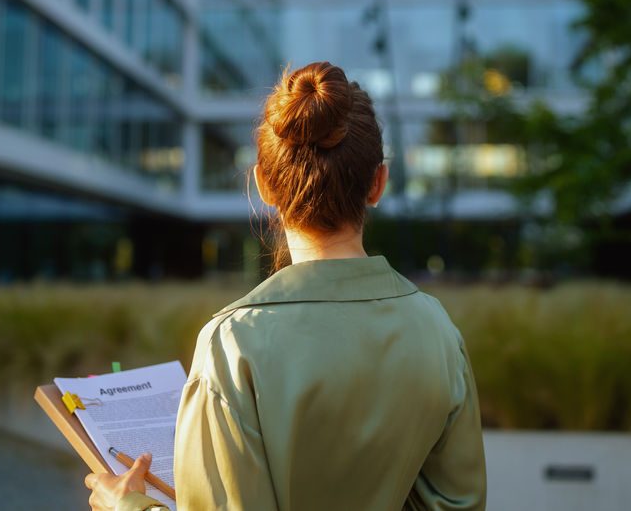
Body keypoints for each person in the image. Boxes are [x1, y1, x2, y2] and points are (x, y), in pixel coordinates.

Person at [85, 61, 487, 511]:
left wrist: (128, 505)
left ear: (264, 185)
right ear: (377, 184)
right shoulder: (438, 331)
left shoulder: (233, 343)